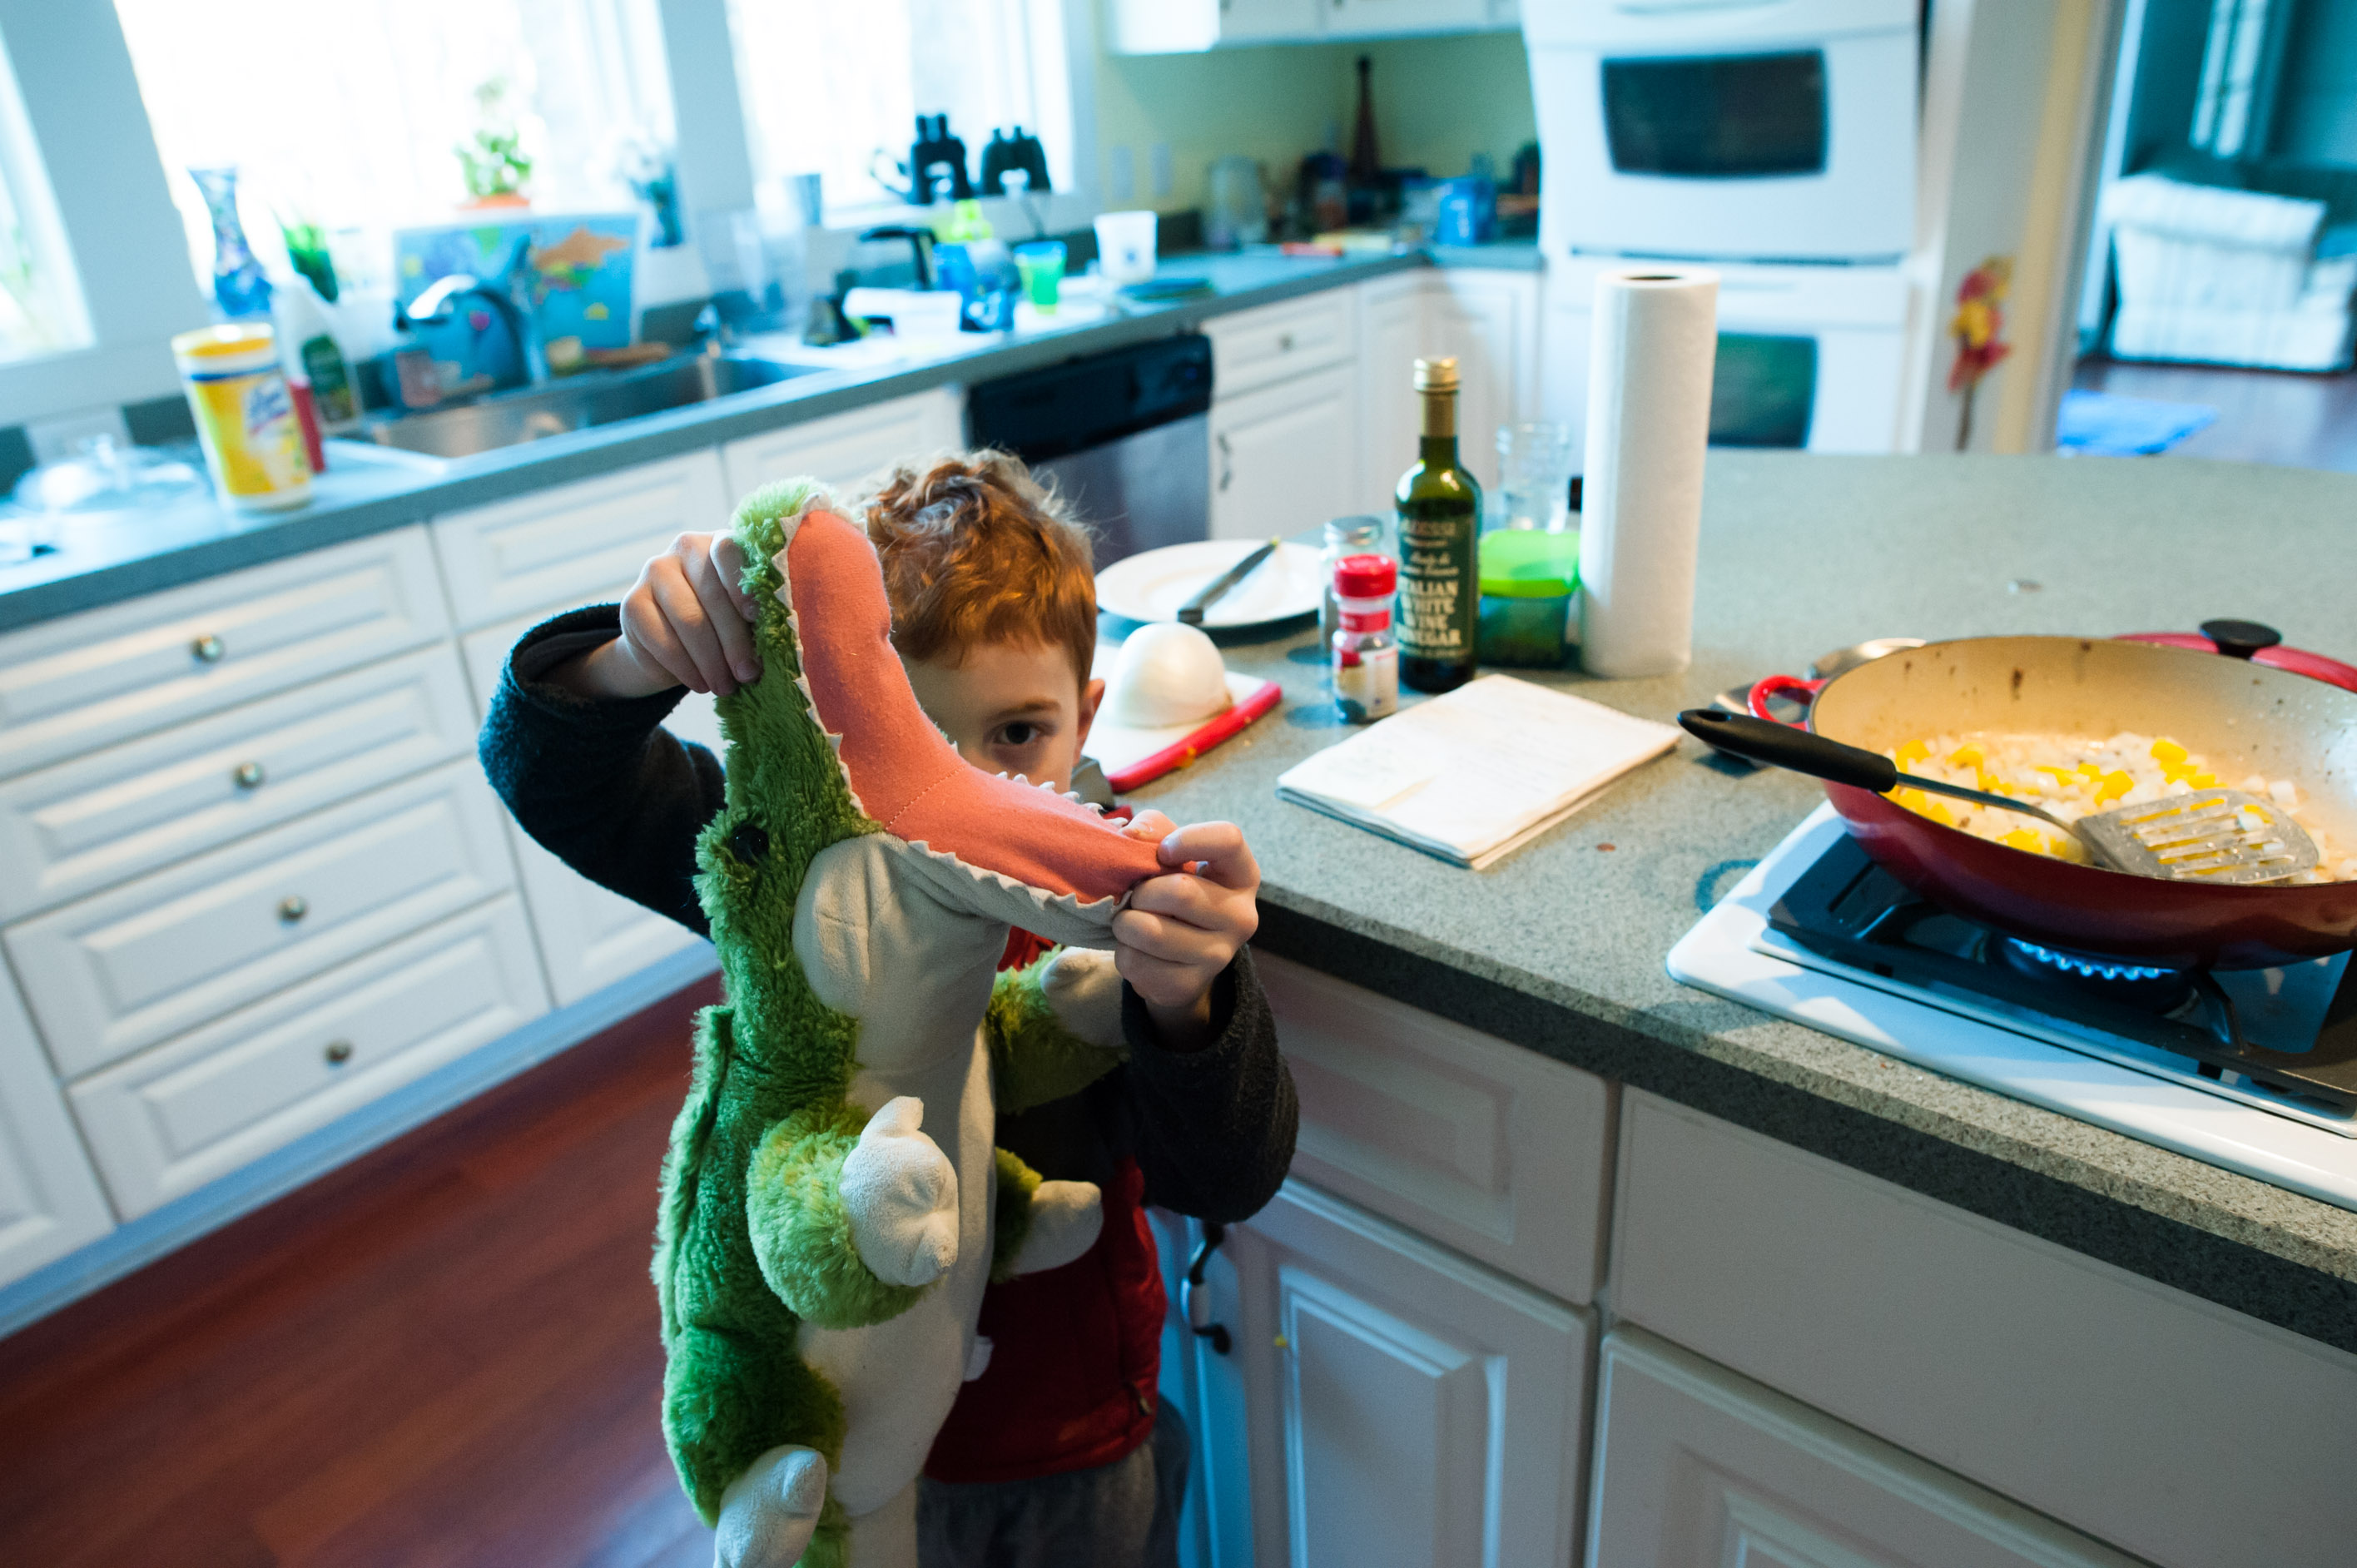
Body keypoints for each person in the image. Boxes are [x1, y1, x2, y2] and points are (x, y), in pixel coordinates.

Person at [478, 449, 1296, 1567]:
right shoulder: (792, 866)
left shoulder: (1119, 900)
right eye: (902, 742)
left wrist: (1188, 1000)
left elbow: (1226, 1178)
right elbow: (548, 775)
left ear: (1086, 715)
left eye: (1015, 736)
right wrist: (636, 656)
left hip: (1076, 1434)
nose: (943, 807)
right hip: (848, 1457)